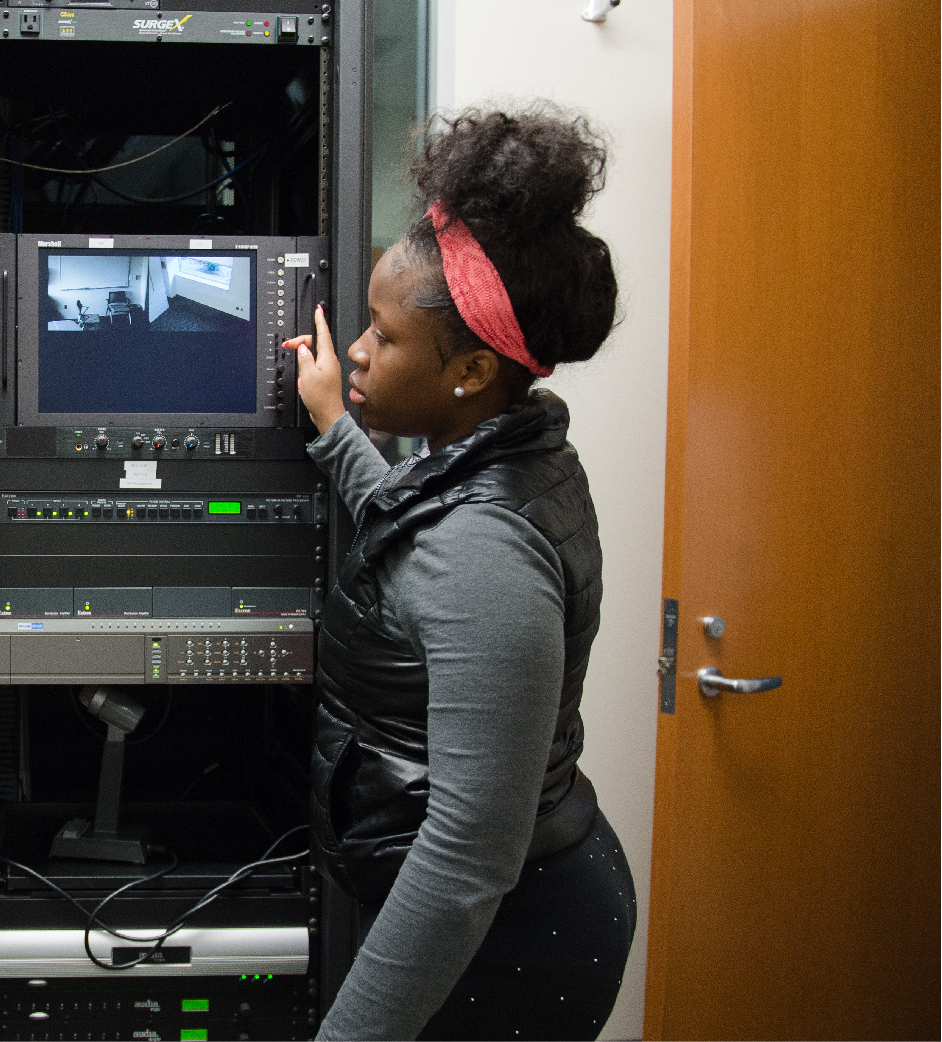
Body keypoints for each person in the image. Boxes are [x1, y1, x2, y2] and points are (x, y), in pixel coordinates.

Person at [286, 105, 636, 1040]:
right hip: (494, 913)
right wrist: (335, 427)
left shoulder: (486, 549)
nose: (358, 349)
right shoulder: (504, 457)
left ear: (472, 369)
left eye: (385, 337)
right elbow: (416, 530)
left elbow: (464, 861)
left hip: (510, 938)